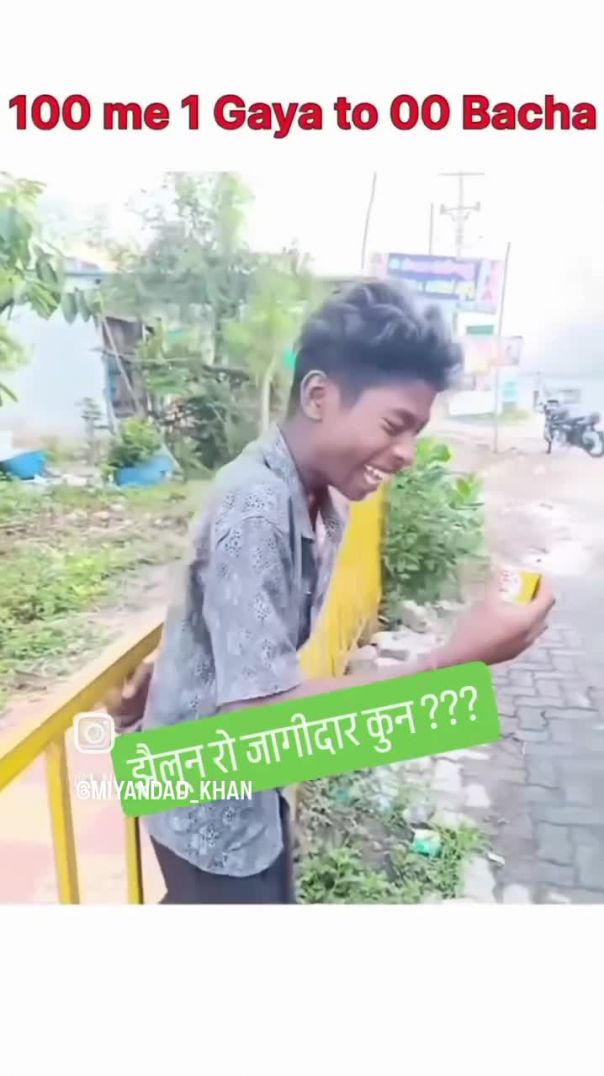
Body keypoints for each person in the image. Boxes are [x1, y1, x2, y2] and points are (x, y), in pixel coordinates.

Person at [110, 281, 555, 904]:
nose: (407, 454)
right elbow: (256, 726)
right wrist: (452, 663)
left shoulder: (325, 501)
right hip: (203, 799)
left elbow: (229, 617)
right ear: (319, 396)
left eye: (417, 432)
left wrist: (172, 663)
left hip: (246, 784)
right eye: (395, 426)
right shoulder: (255, 506)